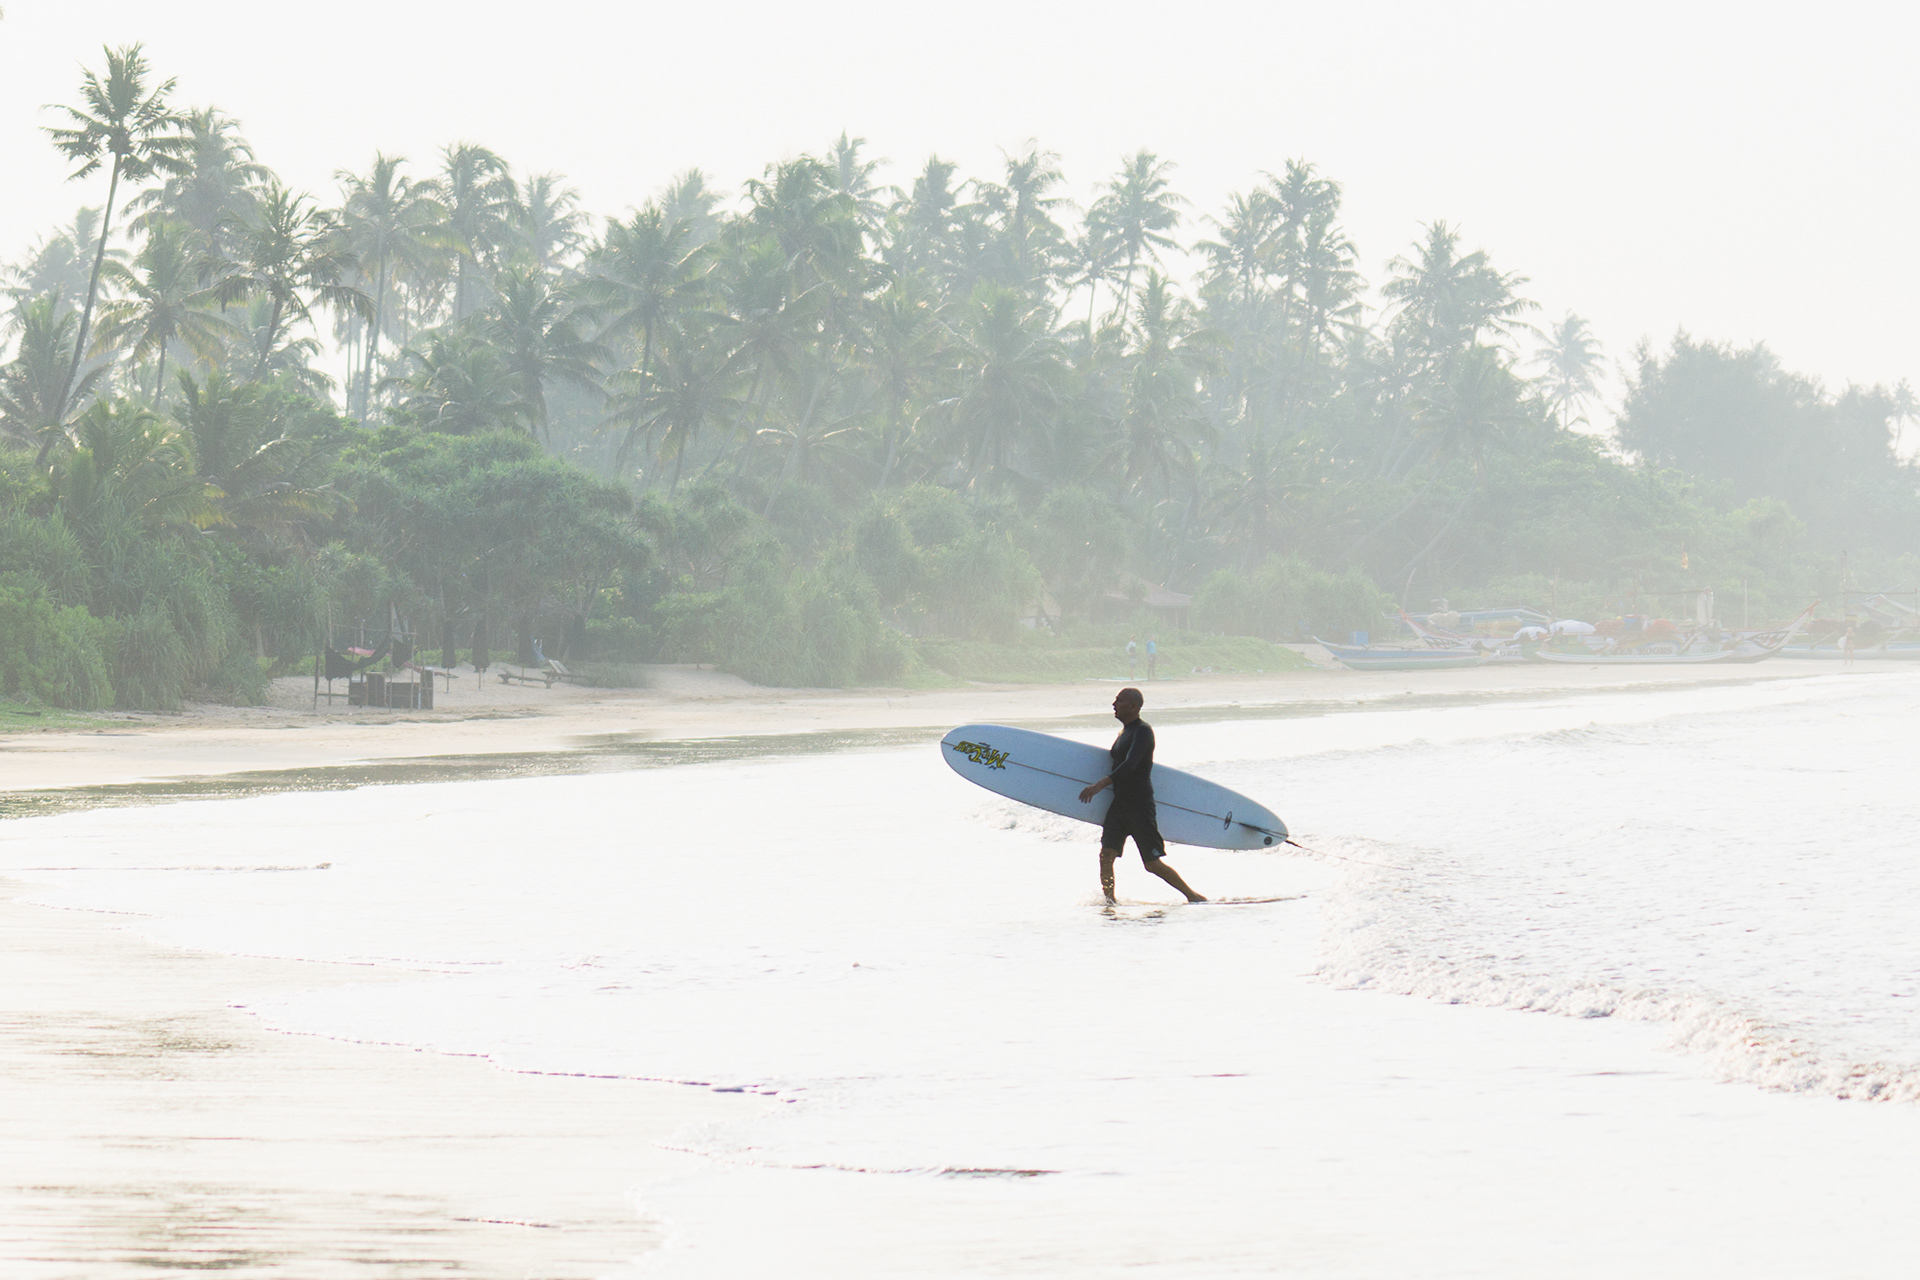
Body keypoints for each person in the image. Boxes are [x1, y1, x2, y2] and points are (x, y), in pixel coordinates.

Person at [1078, 687, 1205, 904]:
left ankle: (1193, 896)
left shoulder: (1143, 731)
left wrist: (1100, 784)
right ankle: (1110, 903)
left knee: (1151, 863)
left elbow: (1131, 764)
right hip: (1119, 804)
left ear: (1134, 706)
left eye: (1119, 701)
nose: (1114, 704)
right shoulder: (1123, 733)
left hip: (1139, 805)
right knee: (1106, 855)